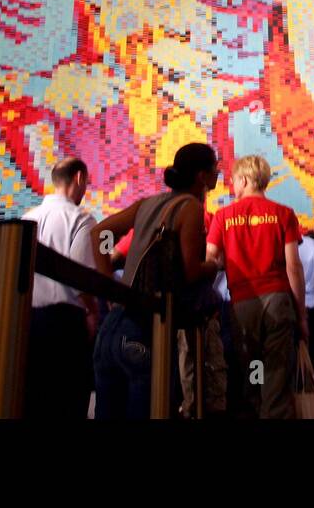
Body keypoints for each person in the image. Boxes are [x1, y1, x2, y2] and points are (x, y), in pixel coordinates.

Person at [92, 143, 219, 419]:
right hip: (146, 329)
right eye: (215, 168)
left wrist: (109, 287)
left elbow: (100, 233)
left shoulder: (147, 204)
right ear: (202, 176)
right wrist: (213, 266)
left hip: (111, 328)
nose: (218, 173)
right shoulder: (191, 207)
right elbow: (191, 271)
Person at [206, 154, 306, 419]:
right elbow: (293, 267)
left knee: (253, 367)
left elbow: (210, 257)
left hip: (242, 303)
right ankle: (273, 412)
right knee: (277, 372)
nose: (232, 185)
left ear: (244, 179)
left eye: (234, 180)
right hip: (277, 300)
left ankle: (257, 407)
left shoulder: (223, 216)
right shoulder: (283, 214)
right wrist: (302, 315)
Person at [22, 157, 100, 418]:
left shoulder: (27, 218)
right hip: (65, 324)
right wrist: (92, 311)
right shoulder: (81, 219)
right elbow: (81, 276)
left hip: (28, 322)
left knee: (34, 403)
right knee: (67, 401)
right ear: (79, 178)